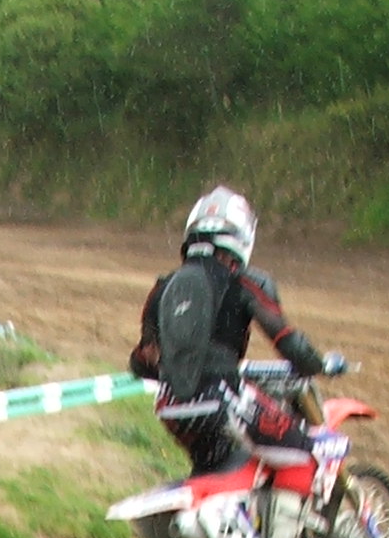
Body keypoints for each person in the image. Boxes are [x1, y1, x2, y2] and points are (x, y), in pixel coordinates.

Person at [128, 186, 347, 479]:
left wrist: (184, 369)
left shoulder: (163, 287)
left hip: (170, 408)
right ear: (242, 237)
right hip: (222, 398)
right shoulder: (246, 282)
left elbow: (141, 361)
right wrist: (318, 364)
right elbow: (287, 341)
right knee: (309, 453)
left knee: (222, 468)